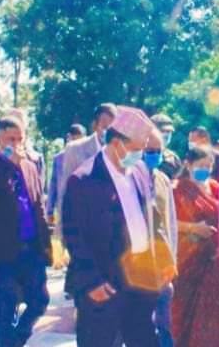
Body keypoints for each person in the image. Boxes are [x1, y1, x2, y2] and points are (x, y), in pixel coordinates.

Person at [62, 106, 176, 347]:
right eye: (135, 149)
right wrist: (92, 282)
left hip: (140, 284)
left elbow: (152, 220)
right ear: (115, 143)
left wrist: (164, 260)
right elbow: (75, 237)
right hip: (104, 286)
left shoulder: (141, 171)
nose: (139, 156)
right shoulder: (84, 180)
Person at [0, 116, 52, 347]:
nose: (16, 145)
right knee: (7, 306)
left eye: (20, 139)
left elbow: (37, 204)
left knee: (40, 301)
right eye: (10, 139)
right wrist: (9, 163)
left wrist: (45, 244)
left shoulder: (31, 165)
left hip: (30, 247)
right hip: (1, 251)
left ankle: (18, 338)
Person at [171, 146, 219, 347]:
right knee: (187, 316)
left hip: (215, 261)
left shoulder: (214, 186)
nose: (204, 169)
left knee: (216, 318)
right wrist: (193, 228)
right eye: (200, 165)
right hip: (189, 262)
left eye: (208, 165)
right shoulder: (178, 189)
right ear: (188, 164)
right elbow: (168, 222)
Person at [55, 103, 117, 235]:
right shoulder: (75, 149)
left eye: (113, 126)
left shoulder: (122, 152)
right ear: (95, 125)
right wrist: (62, 232)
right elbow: (64, 191)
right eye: (105, 126)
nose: (109, 130)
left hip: (113, 230)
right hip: (83, 228)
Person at [145, 130, 178, 347]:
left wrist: (171, 261)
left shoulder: (162, 179)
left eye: (158, 152)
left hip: (162, 266)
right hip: (136, 268)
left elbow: (171, 224)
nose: (154, 156)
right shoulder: (126, 179)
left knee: (166, 324)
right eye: (149, 151)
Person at [47, 123, 85, 224]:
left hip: (84, 207)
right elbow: (53, 185)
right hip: (64, 206)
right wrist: (49, 210)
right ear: (68, 138)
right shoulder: (59, 159)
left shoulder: (89, 158)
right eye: (74, 140)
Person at [152, 113, 183, 179]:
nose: (166, 135)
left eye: (169, 132)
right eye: (163, 131)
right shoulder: (140, 155)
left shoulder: (173, 158)